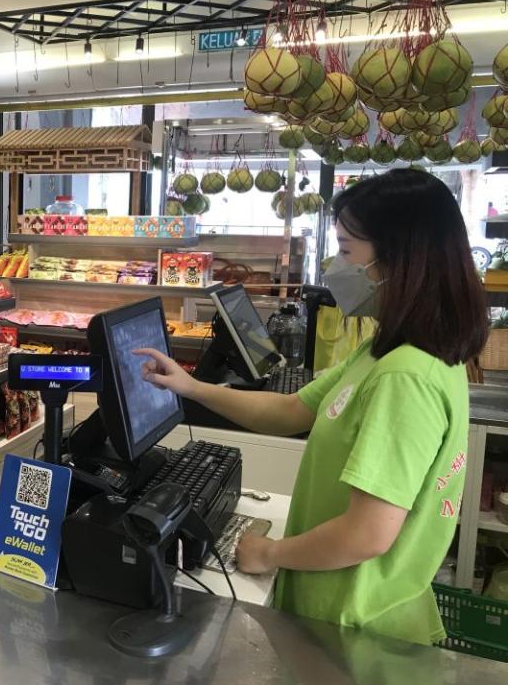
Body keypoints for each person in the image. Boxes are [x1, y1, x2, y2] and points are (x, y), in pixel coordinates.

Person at [135, 169, 488, 646]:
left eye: (346, 250)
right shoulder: (385, 352)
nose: (333, 265)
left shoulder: (406, 377)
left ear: (399, 261)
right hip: (337, 605)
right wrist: (191, 388)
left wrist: (271, 552)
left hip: (356, 625)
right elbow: (291, 411)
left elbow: (367, 535)